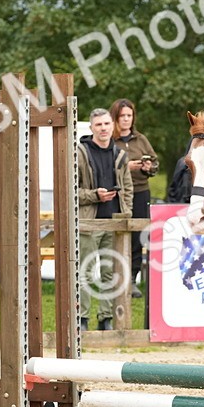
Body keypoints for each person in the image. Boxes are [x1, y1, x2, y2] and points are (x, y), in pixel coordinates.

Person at [77, 108, 133, 330]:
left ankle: (105, 318)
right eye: (98, 124)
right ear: (91, 127)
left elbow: (127, 188)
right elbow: (71, 189)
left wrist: (125, 214)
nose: (103, 128)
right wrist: (94, 195)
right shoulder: (80, 152)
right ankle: (82, 319)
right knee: (87, 271)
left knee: (110, 272)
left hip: (114, 221)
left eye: (107, 124)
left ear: (113, 126)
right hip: (88, 223)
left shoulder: (120, 154)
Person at [111, 98, 158, 297]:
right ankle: (116, 278)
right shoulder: (110, 140)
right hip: (117, 193)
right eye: (123, 116)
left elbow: (155, 164)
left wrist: (149, 167)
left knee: (139, 237)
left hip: (140, 191)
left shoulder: (141, 139)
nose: (126, 120)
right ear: (116, 117)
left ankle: (132, 279)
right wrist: (125, 167)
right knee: (119, 234)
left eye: (129, 115)